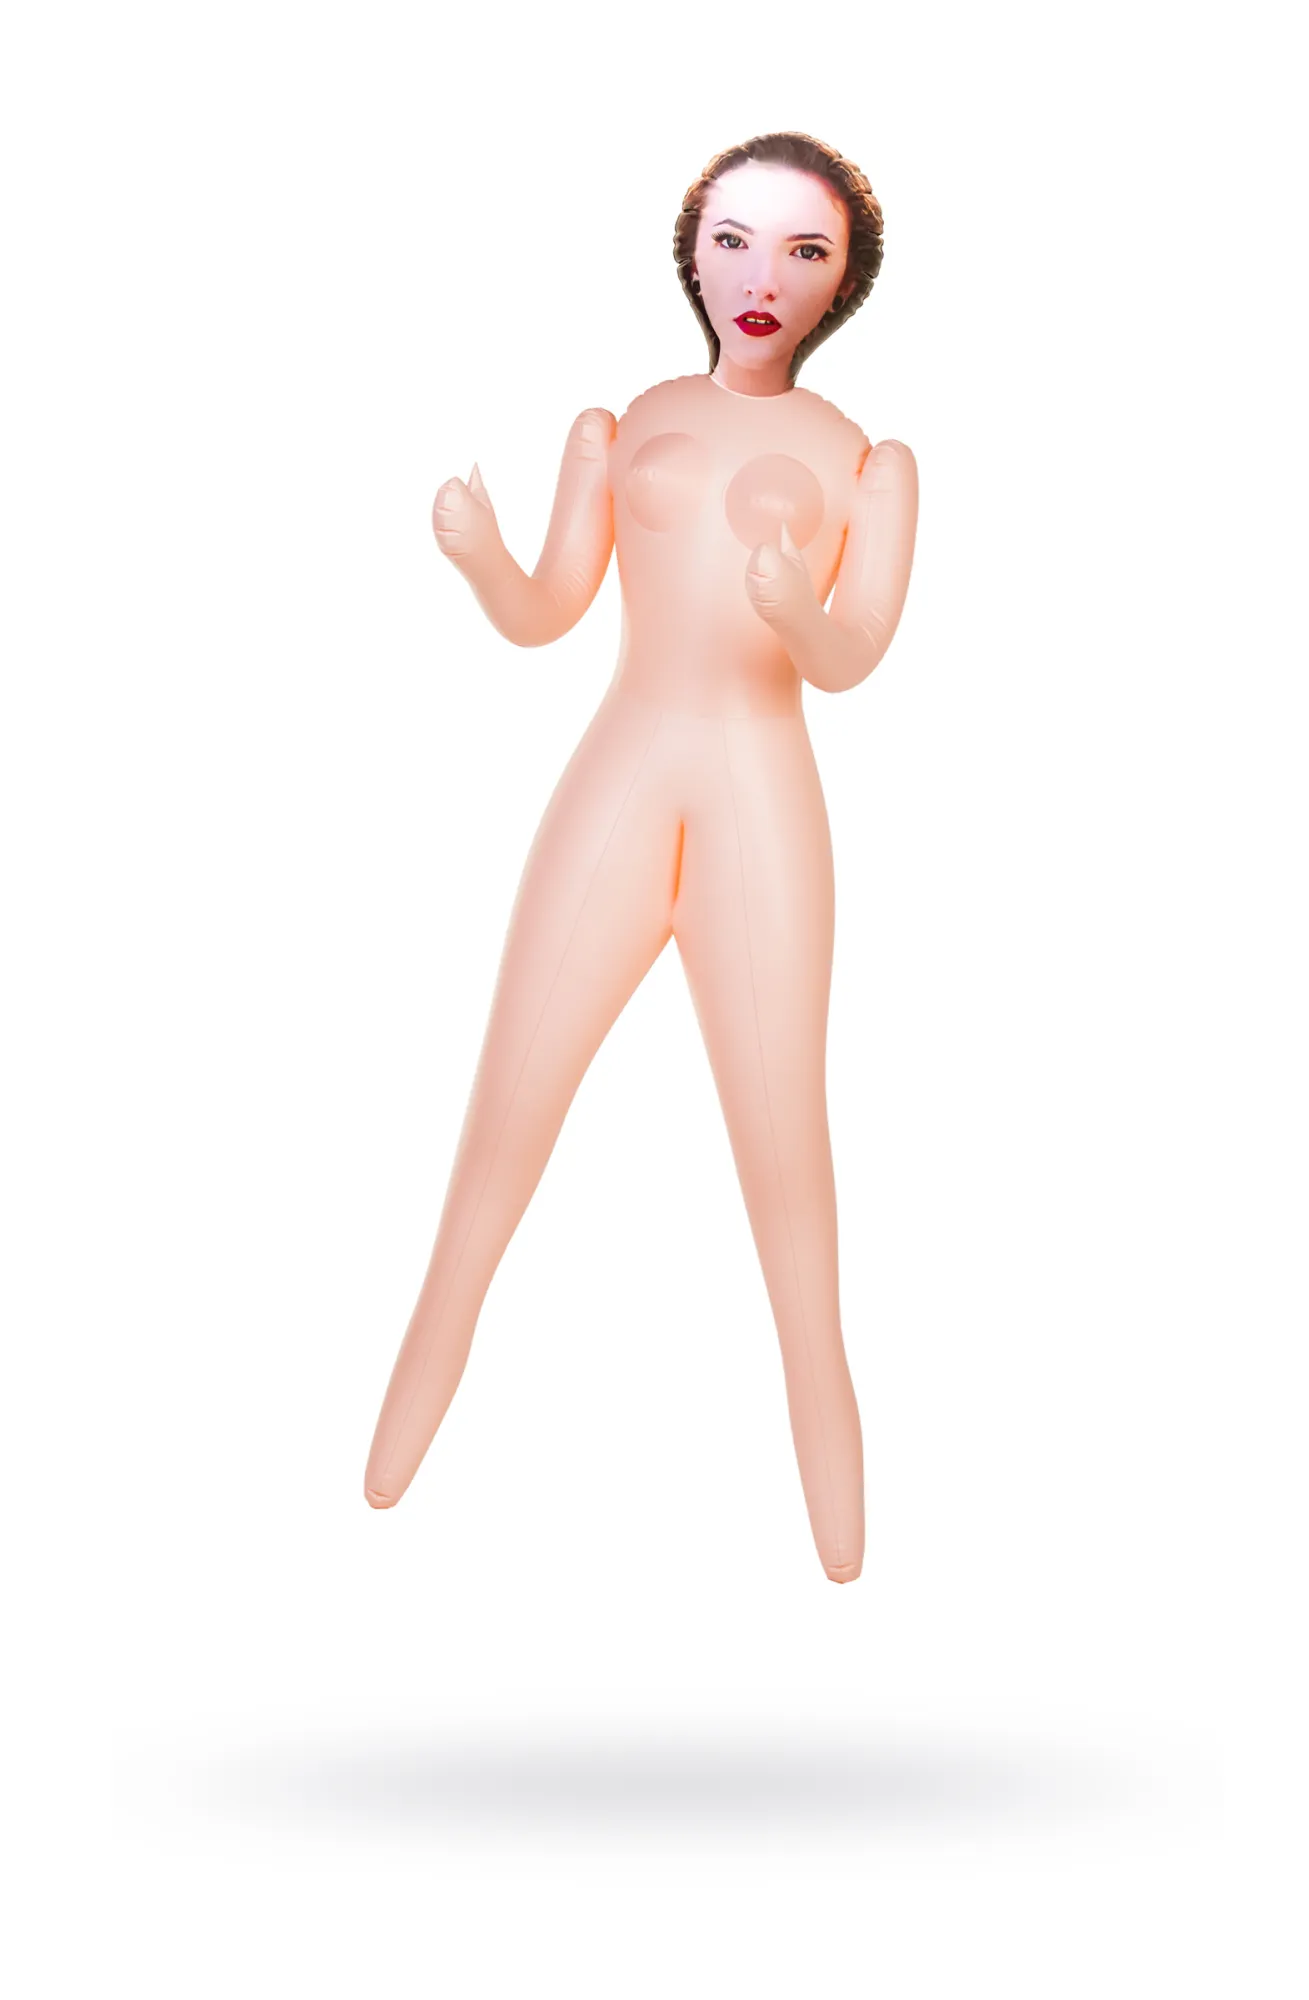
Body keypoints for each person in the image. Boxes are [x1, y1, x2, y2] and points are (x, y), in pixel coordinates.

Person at [364, 131, 919, 1582]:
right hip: (618, 780)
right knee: (503, 1121)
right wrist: (481, 557)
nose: (763, 276)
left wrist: (800, 614)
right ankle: (407, 1412)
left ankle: (833, 1466)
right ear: (691, 253)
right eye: (735, 240)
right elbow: (549, 610)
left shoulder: (868, 463)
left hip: (762, 801)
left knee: (787, 1163)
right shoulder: (620, 424)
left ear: (844, 280)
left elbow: (856, 653)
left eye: (804, 251)